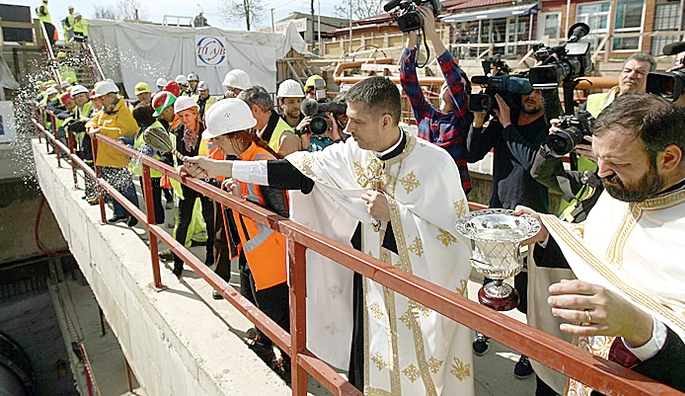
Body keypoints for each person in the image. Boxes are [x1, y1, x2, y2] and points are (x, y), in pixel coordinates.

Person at [183, 76, 475, 395]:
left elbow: (455, 243)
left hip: (418, 295)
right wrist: (218, 168)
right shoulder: (354, 154)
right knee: (366, 364)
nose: (347, 129)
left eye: (356, 121)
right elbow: (297, 172)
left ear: (386, 121)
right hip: (369, 286)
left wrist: (396, 216)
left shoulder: (435, 164)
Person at [521, 93, 685, 395]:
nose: (602, 173)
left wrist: (639, 327)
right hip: (587, 367)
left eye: (616, 162)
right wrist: (548, 233)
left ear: (668, 159)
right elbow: (599, 252)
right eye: (598, 158)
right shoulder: (628, 184)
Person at [202, 98, 291, 378]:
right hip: (255, 253)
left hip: (271, 258)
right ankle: (267, 345)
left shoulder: (264, 162)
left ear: (234, 136)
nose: (216, 146)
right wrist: (237, 191)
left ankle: (289, 365)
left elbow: (281, 214)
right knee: (264, 310)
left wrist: (243, 199)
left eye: (218, 140)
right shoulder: (245, 160)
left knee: (280, 319)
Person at [466, 82, 550, 377]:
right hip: (499, 213)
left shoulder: (548, 126)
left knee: (530, 292)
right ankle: (484, 330)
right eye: (528, 90)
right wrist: (479, 119)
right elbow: (473, 152)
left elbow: (533, 163)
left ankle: (530, 352)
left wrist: (506, 125)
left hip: (533, 218)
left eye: (539, 91)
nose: (532, 96)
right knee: (492, 279)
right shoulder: (507, 119)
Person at [401, 6, 473, 193]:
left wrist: (432, 34)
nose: (448, 85)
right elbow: (408, 81)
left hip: (452, 190)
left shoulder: (462, 117)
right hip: (425, 186)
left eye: (456, 86)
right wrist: (412, 38)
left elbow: (454, 80)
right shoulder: (425, 114)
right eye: (444, 83)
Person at [170, 96, 216, 276]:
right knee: (183, 223)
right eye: (180, 116)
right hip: (187, 184)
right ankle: (178, 263)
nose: (184, 120)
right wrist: (179, 169)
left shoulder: (208, 132)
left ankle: (211, 255)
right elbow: (172, 159)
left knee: (210, 219)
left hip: (206, 182)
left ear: (196, 114)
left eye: (187, 115)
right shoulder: (176, 133)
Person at [86, 79, 140, 226]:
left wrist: (101, 131)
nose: (100, 102)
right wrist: (91, 128)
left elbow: (124, 132)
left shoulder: (123, 111)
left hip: (118, 158)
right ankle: (119, 213)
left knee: (126, 188)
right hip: (105, 157)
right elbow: (92, 121)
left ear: (111, 96)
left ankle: (134, 214)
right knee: (112, 188)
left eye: (102, 98)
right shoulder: (105, 111)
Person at [125, 104, 168, 224]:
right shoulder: (146, 127)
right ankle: (154, 229)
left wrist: (130, 149)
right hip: (144, 172)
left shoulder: (155, 130)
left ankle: (159, 229)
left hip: (153, 173)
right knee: (149, 203)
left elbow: (148, 152)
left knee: (154, 203)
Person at [238, 86, 301, 157]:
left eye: (243, 112)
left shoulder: (287, 139)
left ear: (255, 109)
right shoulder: (255, 131)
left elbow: (283, 167)